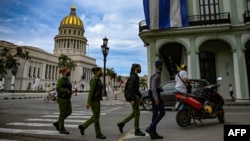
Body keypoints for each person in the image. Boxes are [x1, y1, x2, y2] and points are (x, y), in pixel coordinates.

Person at [117, 64, 145, 136]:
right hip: (133, 97)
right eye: (139, 68)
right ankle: (137, 130)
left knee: (134, 113)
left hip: (135, 96)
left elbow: (135, 89)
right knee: (137, 114)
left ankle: (122, 123)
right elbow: (130, 89)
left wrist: (140, 95)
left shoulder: (135, 76)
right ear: (135, 68)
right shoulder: (133, 77)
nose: (140, 69)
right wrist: (132, 99)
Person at [78, 67, 106, 139]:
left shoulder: (98, 79)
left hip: (97, 99)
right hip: (94, 100)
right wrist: (88, 102)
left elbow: (99, 88)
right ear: (96, 72)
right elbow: (91, 92)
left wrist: (102, 91)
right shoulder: (94, 80)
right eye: (100, 71)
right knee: (96, 118)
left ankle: (83, 126)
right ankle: (98, 133)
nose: (101, 72)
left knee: (96, 116)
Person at [145, 60, 165, 139]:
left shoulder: (155, 73)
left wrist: (160, 88)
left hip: (154, 93)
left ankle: (153, 133)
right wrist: (156, 99)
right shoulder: (156, 75)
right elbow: (153, 88)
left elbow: (155, 86)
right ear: (159, 66)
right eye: (162, 65)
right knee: (162, 112)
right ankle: (150, 128)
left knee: (155, 113)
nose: (162, 67)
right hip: (154, 94)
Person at [53, 67, 74, 134]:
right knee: (62, 114)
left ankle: (58, 122)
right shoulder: (61, 80)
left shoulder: (67, 80)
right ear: (64, 72)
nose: (69, 72)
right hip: (62, 98)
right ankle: (61, 128)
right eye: (68, 71)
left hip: (67, 98)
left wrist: (72, 91)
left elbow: (68, 89)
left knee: (69, 111)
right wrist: (65, 90)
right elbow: (58, 88)